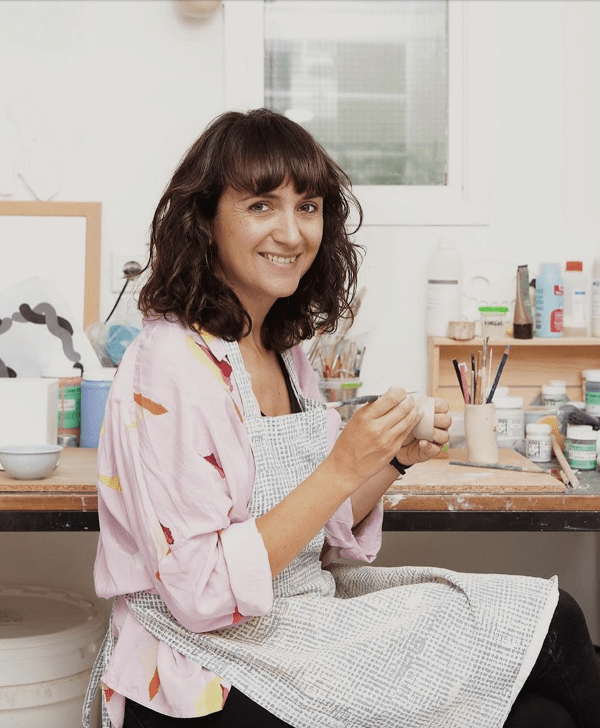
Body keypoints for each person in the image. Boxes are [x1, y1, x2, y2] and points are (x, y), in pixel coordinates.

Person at [83, 108, 600, 728]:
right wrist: (342, 466)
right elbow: (200, 593)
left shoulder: (282, 348)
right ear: (205, 220)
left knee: (544, 709)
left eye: (308, 207)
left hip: (293, 620)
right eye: (261, 205)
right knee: (557, 627)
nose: (292, 232)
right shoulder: (168, 365)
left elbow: (318, 530)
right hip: (201, 662)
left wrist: (391, 460)